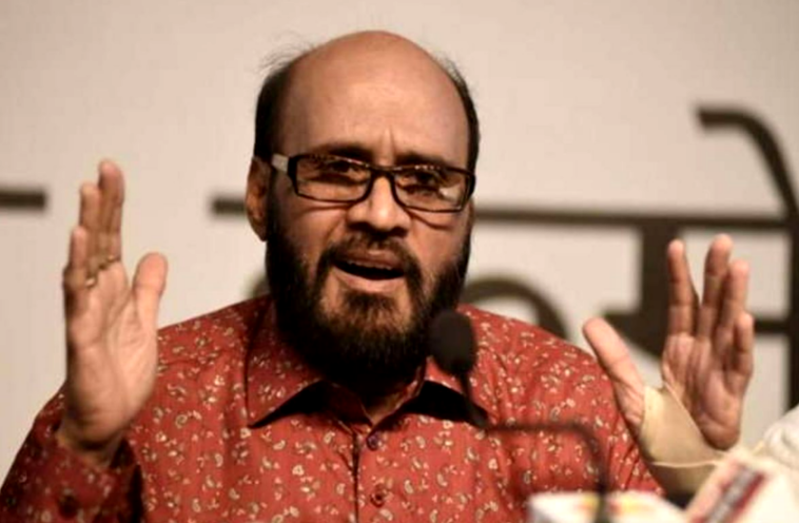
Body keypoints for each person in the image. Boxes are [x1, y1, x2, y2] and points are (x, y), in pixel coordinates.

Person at [0, 31, 753, 522]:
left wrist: (706, 482)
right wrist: (86, 445)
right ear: (261, 195)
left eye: (425, 180)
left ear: (466, 212)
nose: (382, 214)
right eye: (338, 169)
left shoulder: (570, 407)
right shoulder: (142, 405)